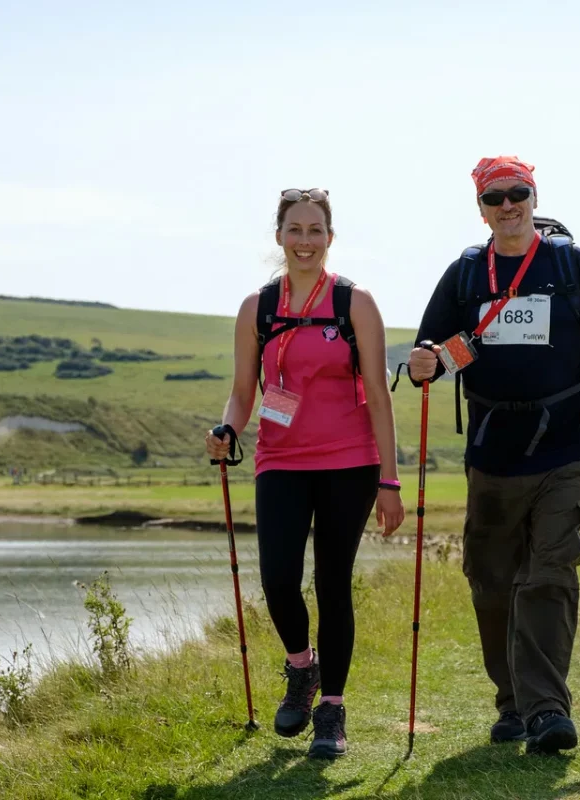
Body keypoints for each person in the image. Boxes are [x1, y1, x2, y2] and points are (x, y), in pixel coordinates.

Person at [405, 156, 580, 756]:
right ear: (480, 208)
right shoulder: (466, 275)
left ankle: (548, 709)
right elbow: (430, 350)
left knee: (549, 573)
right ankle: (512, 704)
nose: (508, 205)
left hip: (563, 447)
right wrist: (423, 363)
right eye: (494, 197)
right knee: (493, 583)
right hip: (491, 451)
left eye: (517, 193)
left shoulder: (572, 267)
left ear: (533, 195)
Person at [205, 187, 405, 759]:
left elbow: (380, 401)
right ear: (278, 237)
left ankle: (332, 711)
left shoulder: (354, 304)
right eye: (295, 229)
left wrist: (390, 481)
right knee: (277, 580)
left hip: (350, 461)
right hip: (280, 460)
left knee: (332, 583)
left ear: (330, 238)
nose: (305, 241)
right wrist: (226, 430)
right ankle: (302, 667)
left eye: (315, 230)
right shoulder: (258, 308)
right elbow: (244, 393)